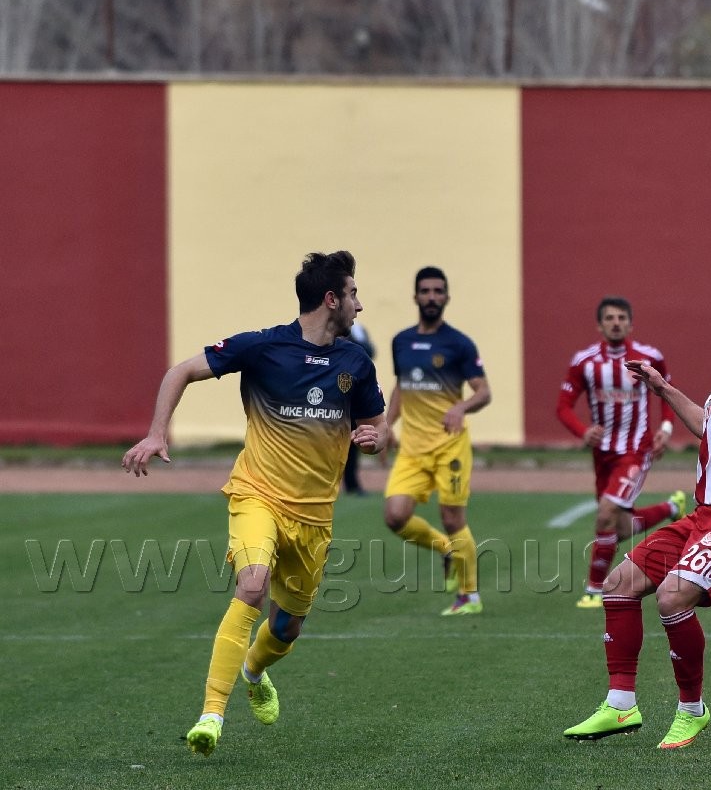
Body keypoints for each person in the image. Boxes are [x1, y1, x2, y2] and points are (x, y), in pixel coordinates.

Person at [121, 251, 387, 757]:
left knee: (287, 627)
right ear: (331, 300)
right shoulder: (262, 347)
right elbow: (180, 370)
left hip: (314, 517)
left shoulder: (356, 363)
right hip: (256, 495)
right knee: (252, 585)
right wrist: (157, 433)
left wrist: (375, 439)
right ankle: (211, 715)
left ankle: (254, 670)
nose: (360, 303)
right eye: (353, 293)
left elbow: (377, 426)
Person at [563, 297, 711, 750]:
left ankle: (692, 710)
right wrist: (662, 388)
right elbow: (706, 424)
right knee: (618, 583)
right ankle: (620, 703)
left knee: (673, 595)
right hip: (704, 514)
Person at [556, 296, 687, 609]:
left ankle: (593, 589)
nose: (616, 323)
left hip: (635, 451)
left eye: (621, 318)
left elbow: (666, 394)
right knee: (618, 526)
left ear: (630, 323)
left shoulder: (648, 357)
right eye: (609, 318)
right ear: (599, 325)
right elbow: (562, 407)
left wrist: (665, 431)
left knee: (605, 514)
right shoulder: (584, 362)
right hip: (602, 454)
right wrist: (582, 431)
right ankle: (671, 508)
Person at [382, 266, 491, 616]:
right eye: (425, 291)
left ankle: (469, 596)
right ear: (415, 296)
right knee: (395, 516)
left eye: (437, 291)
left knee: (452, 517)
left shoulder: (459, 344)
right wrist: (386, 426)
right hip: (412, 448)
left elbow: (483, 392)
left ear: (446, 297)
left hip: (449, 446)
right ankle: (446, 549)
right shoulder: (400, 341)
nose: (431, 297)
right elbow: (402, 387)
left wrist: (461, 406)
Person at [343, 321, 376, 496]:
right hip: (333, 391)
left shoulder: (358, 329)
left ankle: (352, 483)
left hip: (353, 390)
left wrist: (354, 341)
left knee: (354, 439)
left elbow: (370, 351)